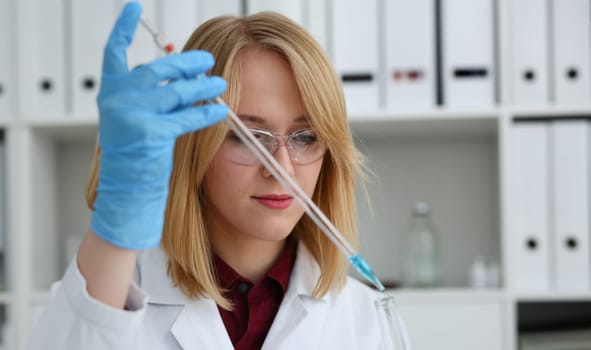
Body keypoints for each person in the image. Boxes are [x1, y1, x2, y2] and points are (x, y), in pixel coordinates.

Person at [28, 2, 406, 349]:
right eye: (246, 137)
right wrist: (114, 233)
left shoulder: (364, 320)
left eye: (306, 137)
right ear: (193, 144)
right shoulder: (109, 295)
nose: (282, 168)